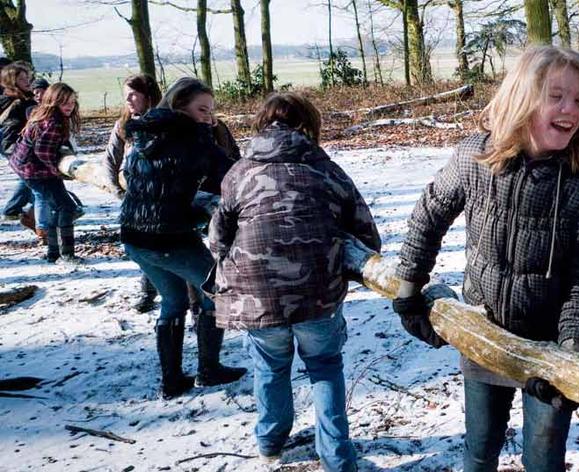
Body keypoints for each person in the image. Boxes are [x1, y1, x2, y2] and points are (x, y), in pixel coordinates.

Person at [392, 45, 579, 472]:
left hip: (548, 348)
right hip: (483, 335)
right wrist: (408, 288)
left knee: (543, 461)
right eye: (556, 96)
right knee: (479, 451)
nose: (570, 109)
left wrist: (573, 354)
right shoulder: (476, 159)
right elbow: (429, 214)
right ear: (521, 96)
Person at [208, 92, 379, 471]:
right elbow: (367, 234)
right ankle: (336, 458)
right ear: (308, 126)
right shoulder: (327, 169)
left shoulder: (239, 172)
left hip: (256, 297)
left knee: (270, 367)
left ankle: (270, 443)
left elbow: (218, 239)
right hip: (318, 294)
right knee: (324, 367)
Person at [119, 77, 246, 400]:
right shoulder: (192, 139)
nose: (208, 116)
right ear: (179, 106)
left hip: (135, 236)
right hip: (169, 238)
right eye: (202, 109)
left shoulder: (144, 133)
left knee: (173, 302)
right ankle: (209, 370)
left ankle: (171, 380)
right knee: (216, 291)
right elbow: (232, 177)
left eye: (211, 111)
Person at [103, 73, 162, 313]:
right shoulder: (123, 124)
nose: (128, 100)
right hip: (137, 201)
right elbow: (111, 158)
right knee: (145, 248)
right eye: (125, 95)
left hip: (166, 198)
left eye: (133, 94)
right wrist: (117, 190)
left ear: (148, 96)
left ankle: (189, 299)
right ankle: (147, 292)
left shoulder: (166, 121)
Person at [7, 83, 82, 263]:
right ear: (53, 102)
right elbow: (43, 151)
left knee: (59, 206)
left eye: (72, 102)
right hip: (35, 171)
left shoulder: (46, 116)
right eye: (64, 102)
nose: (69, 106)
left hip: (29, 168)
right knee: (67, 207)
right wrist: (57, 171)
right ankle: (66, 254)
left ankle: (53, 252)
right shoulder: (53, 122)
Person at [1, 62, 38, 222]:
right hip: (16, 147)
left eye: (27, 77)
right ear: (12, 82)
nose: (28, 81)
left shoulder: (24, 99)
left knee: (30, 178)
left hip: (17, 146)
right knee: (33, 178)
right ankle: (15, 210)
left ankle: (13, 209)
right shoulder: (19, 102)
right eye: (22, 79)